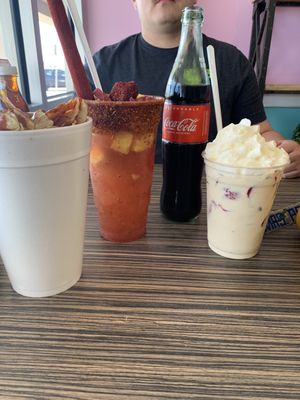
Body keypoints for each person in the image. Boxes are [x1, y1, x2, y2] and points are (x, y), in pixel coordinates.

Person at [89, 0, 300, 178]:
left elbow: (261, 133)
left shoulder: (230, 61)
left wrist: (284, 151)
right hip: (122, 188)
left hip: (215, 194)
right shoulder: (100, 66)